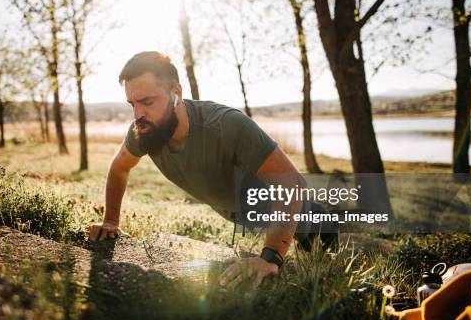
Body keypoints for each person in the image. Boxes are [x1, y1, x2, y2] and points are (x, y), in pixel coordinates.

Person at [89, 51, 313, 288]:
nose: (138, 114)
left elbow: (291, 183)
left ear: (176, 93)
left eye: (147, 102)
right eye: (132, 104)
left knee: (323, 250)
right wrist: (111, 221)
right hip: (243, 216)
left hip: (301, 215)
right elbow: (119, 167)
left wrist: (270, 258)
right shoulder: (145, 130)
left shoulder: (226, 125)